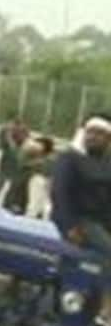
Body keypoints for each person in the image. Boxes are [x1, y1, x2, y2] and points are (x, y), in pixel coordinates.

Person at [50, 116, 111, 290]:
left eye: (99, 133)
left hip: (100, 221)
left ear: (109, 138)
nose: (92, 136)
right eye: (89, 132)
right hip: (79, 220)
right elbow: (59, 194)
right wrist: (70, 226)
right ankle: (106, 308)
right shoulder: (70, 158)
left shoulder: (107, 162)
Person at [0, 119, 28, 202]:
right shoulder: (5, 130)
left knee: (11, 186)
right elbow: (1, 145)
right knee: (0, 183)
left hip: (15, 162)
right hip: (7, 161)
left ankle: (6, 202)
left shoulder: (22, 132)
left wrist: (9, 138)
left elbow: (15, 148)